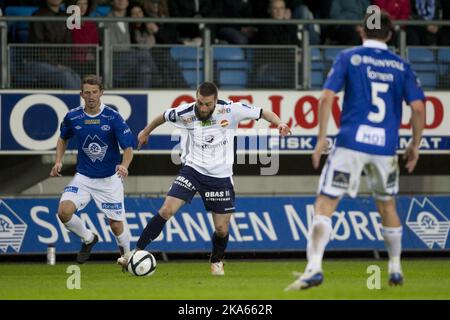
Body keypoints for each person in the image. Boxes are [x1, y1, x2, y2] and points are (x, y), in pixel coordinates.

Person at [285, 11, 425, 290]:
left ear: (361, 32)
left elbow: (326, 98)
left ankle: (314, 268)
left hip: (350, 144)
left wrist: (321, 139)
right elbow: (419, 108)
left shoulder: (349, 58)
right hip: (385, 148)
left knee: (325, 204)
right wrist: (415, 144)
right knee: (387, 205)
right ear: (389, 35)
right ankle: (395, 267)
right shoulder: (401, 65)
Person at [118, 81, 291, 275]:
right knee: (166, 210)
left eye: (207, 104)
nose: (203, 107)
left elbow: (263, 112)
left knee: (221, 229)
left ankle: (216, 260)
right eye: (200, 102)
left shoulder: (231, 109)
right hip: (192, 170)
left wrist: (280, 123)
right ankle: (136, 252)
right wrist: (146, 131)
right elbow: (163, 116)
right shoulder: (186, 112)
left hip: (220, 177)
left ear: (215, 101)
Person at [50, 75, 135, 263]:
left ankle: (127, 258)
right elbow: (63, 138)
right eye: (87, 92)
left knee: (115, 224)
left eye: (95, 92)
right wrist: (58, 161)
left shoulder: (112, 117)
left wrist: (124, 165)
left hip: (109, 179)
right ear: (81, 94)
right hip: (84, 177)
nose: (91, 96)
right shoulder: (73, 116)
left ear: (101, 93)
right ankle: (88, 238)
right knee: (63, 211)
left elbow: (128, 147)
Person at [26, 0, 81, 89]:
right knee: (65, 76)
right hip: (37, 63)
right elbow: (38, 47)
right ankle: (79, 103)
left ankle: (82, 102)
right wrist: (55, 64)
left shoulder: (65, 16)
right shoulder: (38, 16)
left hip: (59, 64)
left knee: (76, 76)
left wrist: (62, 63)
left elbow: (68, 44)